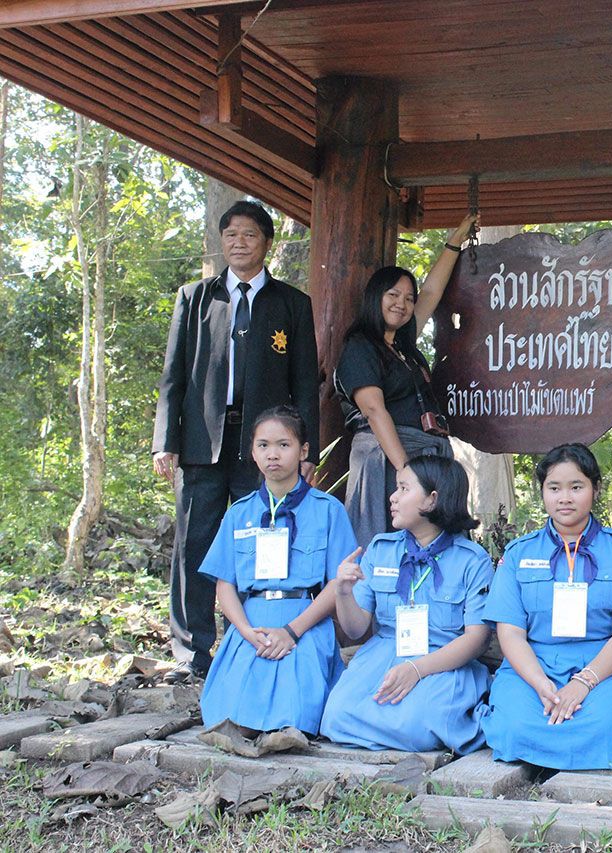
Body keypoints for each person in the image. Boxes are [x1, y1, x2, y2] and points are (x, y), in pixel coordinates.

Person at [152, 200, 319, 683]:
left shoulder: (291, 304)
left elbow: (305, 383)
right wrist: (167, 440)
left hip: (265, 446)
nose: (239, 242)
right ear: (221, 242)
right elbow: (173, 377)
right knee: (195, 542)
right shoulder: (195, 297)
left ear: (267, 243)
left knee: (261, 543)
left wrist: (302, 450)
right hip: (203, 441)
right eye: (231, 235)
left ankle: (252, 639)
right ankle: (192, 651)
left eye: (249, 235)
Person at [482, 443, 612, 770]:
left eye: (576, 487)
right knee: (515, 725)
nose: (564, 497)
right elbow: (510, 633)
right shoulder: (519, 553)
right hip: (534, 666)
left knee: (609, 722)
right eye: (554, 488)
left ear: (595, 489)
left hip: (608, 667)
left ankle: (561, 744)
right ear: (542, 493)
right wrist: (540, 684)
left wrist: (584, 682)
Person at [320, 454, 493, 753]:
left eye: (403, 488)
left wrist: (416, 669)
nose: (393, 497)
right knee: (334, 717)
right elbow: (356, 626)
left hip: (442, 661)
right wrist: (343, 593)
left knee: (417, 728)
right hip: (383, 655)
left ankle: (460, 718)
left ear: (431, 500)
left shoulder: (471, 560)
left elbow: (476, 640)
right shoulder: (381, 548)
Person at [197, 406, 354, 735]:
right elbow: (224, 584)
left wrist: (292, 632)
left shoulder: (328, 511)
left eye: (284, 445)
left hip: (304, 625)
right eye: (263, 445)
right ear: (252, 452)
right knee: (227, 716)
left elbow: (337, 585)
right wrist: (244, 631)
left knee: (296, 715)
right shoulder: (239, 514)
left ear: (303, 451)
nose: (273, 455)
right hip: (251, 627)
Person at [335, 216, 475, 547]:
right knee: (387, 543)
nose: (402, 303)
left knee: (437, 542)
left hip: (427, 456)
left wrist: (454, 241)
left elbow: (432, 290)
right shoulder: (360, 346)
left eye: (408, 298)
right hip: (389, 457)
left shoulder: (403, 345)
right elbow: (375, 412)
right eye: (393, 295)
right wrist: (405, 472)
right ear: (375, 297)